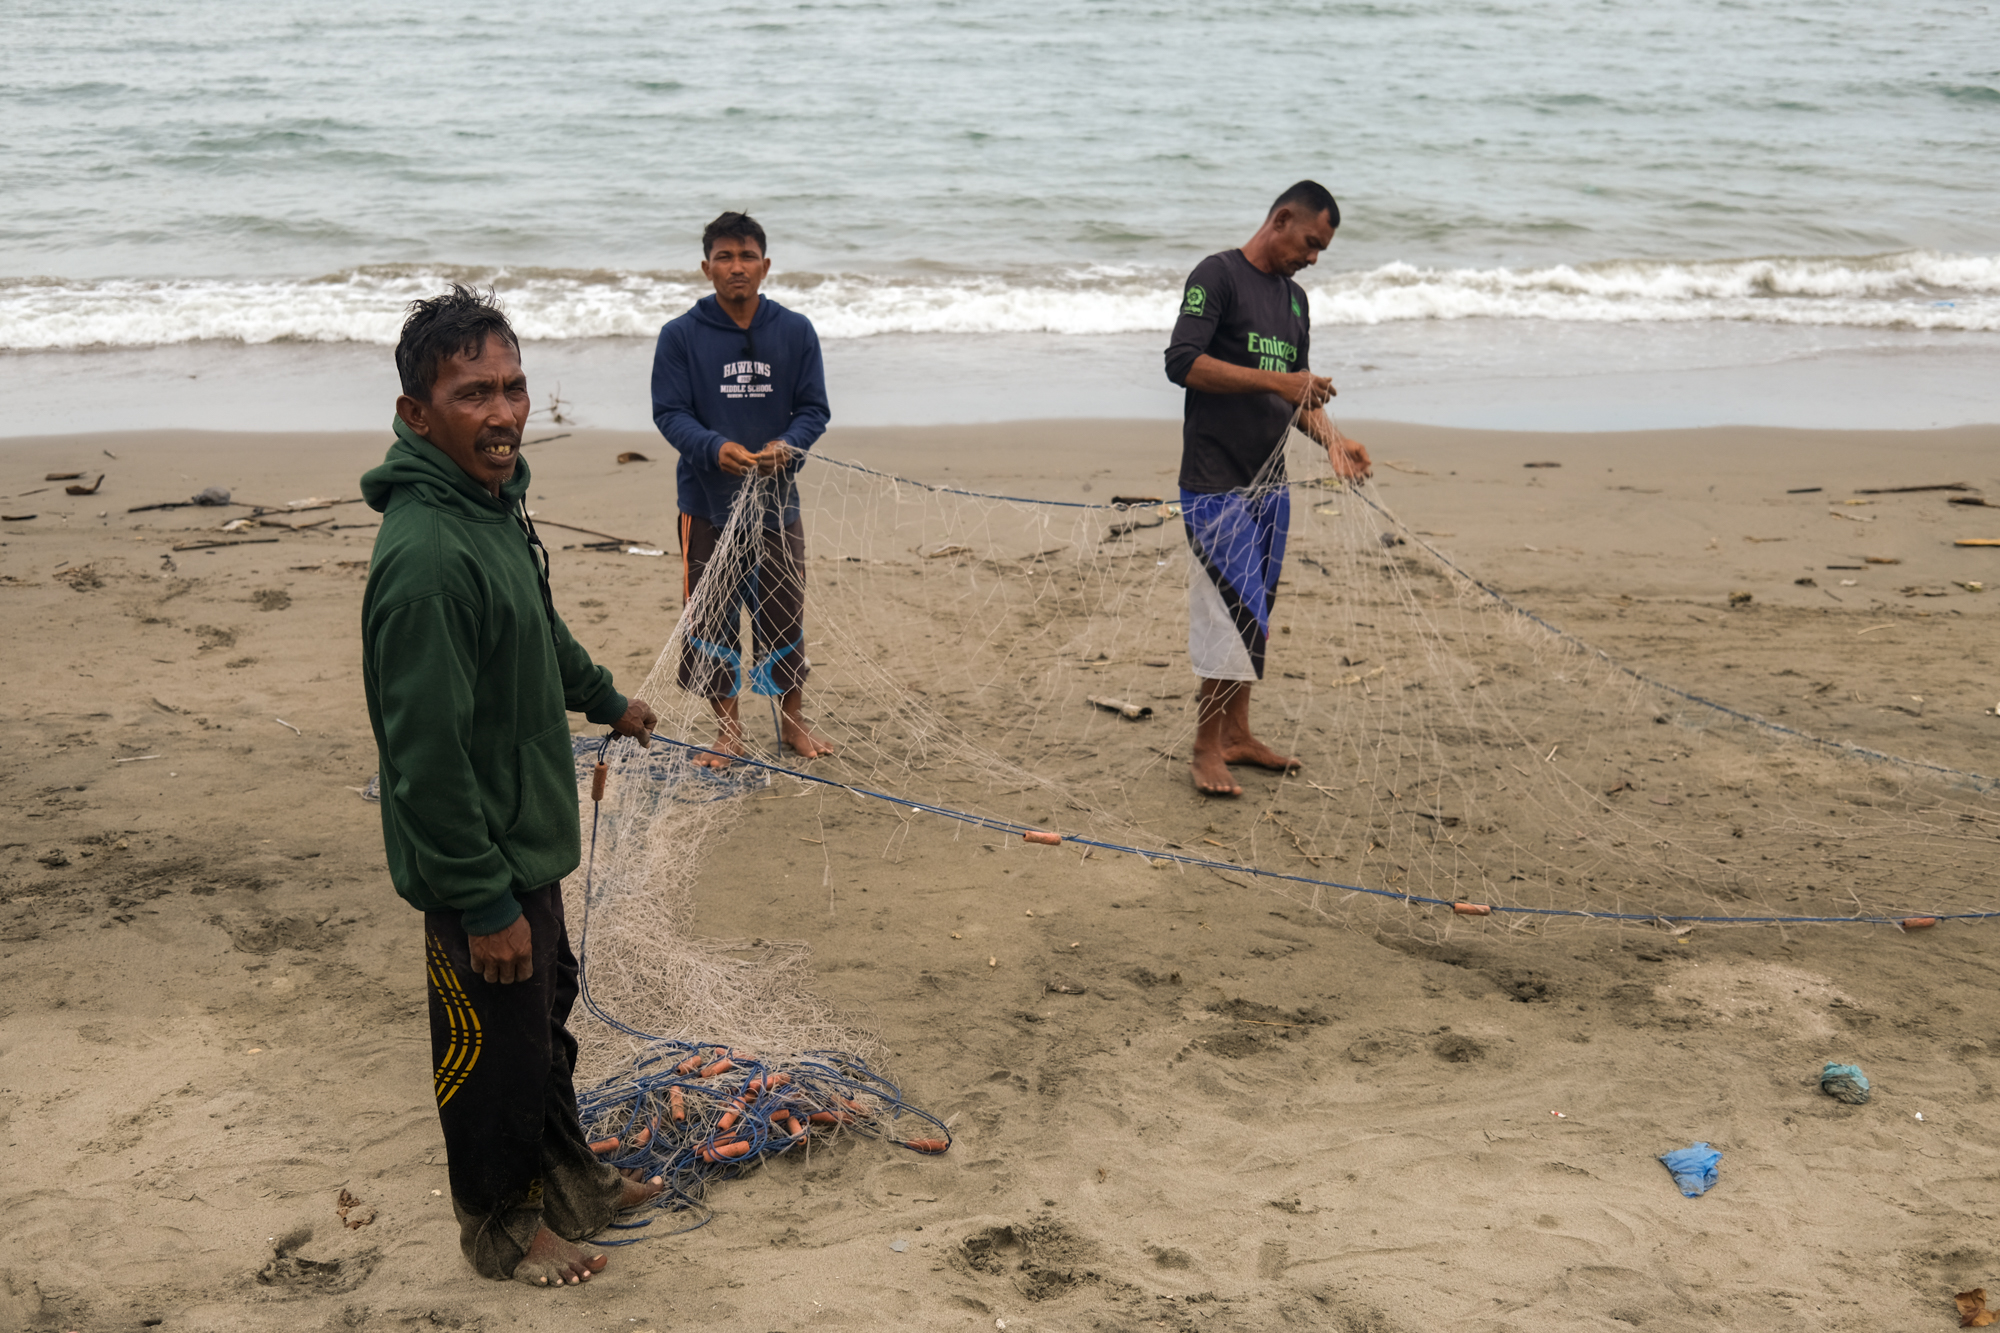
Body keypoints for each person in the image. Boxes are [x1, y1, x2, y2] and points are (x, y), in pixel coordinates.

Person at [360, 285, 663, 1286]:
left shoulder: (492, 507)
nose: (501, 413)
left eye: (513, 386)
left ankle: (568, 1182)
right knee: (491, 1054)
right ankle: (502, 1228)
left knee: (543, 1023)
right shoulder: (427, 559)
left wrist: (606, 699)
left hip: (525, 835)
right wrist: (482, 899)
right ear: (417, 414)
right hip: (473, 862)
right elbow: (424, 757)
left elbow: (537, 631)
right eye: (471, 393)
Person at [1163, 180, 1373, 798]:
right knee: (1227, 609)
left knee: (1256, 611)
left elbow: (1297, 394)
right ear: (1281, 219)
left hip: (1269, 482)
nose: (1312, 258)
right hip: (1214, 478)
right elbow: (1183, 362)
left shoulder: (1297, 303)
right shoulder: (1217, 276)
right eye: (1310, 243)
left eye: (1322, 251)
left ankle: (1238, 734)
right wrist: (1275, 383)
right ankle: (1205, 747)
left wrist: (1334, 439)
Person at [651, 211, 835, 767]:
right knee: (711, 618)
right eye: (725, 257)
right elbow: (670, 413)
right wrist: (714, 448)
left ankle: (792, 724)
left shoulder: (795, 330)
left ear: (766, 265)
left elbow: (814, 410)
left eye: (747, 256)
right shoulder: (680, 335)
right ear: (706, 268)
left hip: (778, 505)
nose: (737, 267)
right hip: (704, 506)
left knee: (783, 614)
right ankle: (728, 733)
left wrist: (788, 444)